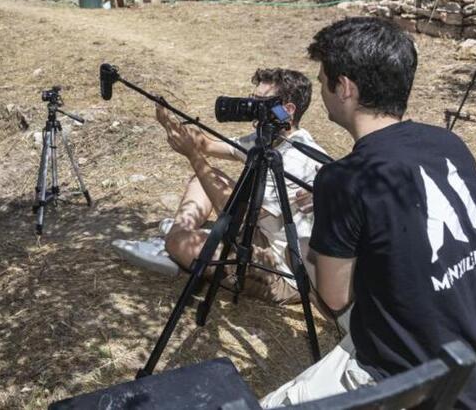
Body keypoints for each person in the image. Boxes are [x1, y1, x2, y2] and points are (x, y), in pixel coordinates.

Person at [262, 17, 476, 408]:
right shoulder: (450, 145)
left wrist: (316, 236)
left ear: (345, 87)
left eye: (323, 79)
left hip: (417, 384)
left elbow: (333, 299)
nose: (322, 90)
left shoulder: (343, 179)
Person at [113, 68, 325, 306]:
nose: (251, 107)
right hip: (261, 232)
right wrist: (172, 124)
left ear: (287, 110)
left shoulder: (297, 158)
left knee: (180, 241)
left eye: (259, 103)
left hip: (282, 269)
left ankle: (172, 244)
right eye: (251, 100)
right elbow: (212, 145)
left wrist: (193, 156)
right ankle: (180, 232)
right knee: (203, 179)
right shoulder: (272, 134)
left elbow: (234, 213)